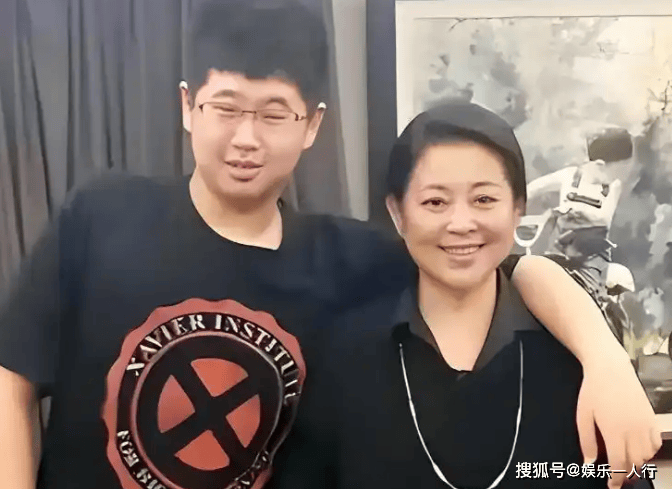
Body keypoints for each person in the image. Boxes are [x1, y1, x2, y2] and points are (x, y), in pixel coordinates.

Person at [0, 1, 659, 489]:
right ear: (187, 106)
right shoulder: (101, 216)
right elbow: (12, 381)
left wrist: (606, 359)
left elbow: (500, 263)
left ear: (312, 124)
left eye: (273, 113)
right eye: (225, 107)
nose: (246, 138)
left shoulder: (349, 259)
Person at [282, 102, 656, 489]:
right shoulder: (345, 356)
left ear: (518, 209)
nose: (461, 224)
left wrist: (606, 360)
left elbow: (625, 477)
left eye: (483, 200)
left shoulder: (578, 357)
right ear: (397, 213)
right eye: (435, 202)